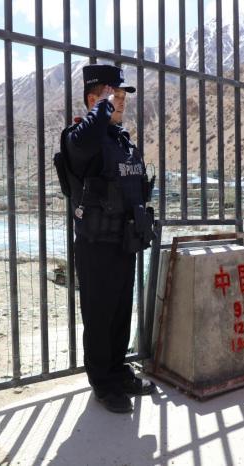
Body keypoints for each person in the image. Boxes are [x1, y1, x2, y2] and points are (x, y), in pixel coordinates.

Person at [55, 64, 156, 413]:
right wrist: (102, 106)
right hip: (95, 246)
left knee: (120, 313)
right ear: (92, 99)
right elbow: (85, 137)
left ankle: (118, 371)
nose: (121, 101)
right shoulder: (79, 139)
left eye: (123, 95)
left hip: (123, 242)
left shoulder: (120, 141)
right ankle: (103, 384)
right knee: (99, 317)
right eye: (114, 94)